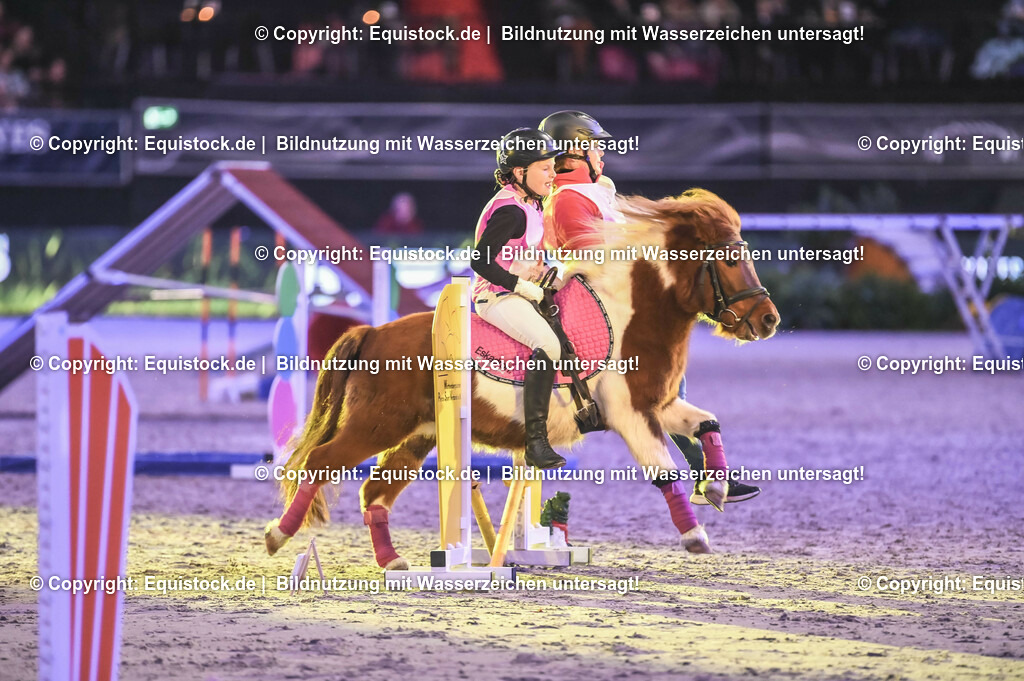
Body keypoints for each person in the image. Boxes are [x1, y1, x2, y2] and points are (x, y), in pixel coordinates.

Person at [539, 109, 761, 506]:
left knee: (669, 379)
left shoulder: (594, 191)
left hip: (610, 299)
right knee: (658, 384)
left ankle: (704, 472)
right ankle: (702, 473)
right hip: (594, 305)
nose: (602, 154)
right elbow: (592, 260)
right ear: (574, 151)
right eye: (595, 147)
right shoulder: (569, 199)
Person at [470, 127, 565, 469]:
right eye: (545, 167)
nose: (553, 174)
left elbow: (526, 254)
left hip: (520, 290)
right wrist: (520, 286)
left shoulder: (532, 203)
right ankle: (535, 442)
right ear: (519, 172)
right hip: (495, 297)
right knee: (549, 346)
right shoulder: (509, 211)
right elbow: (479, 261)